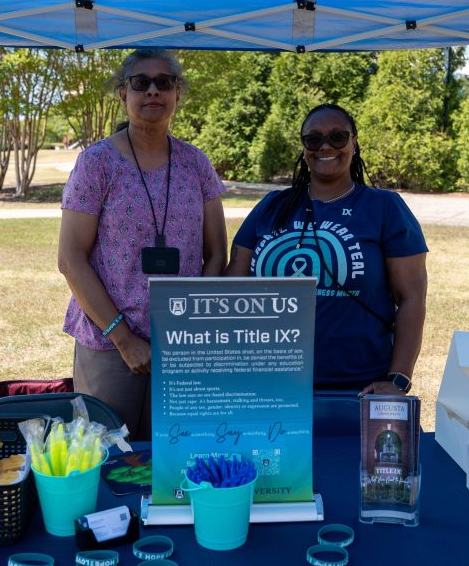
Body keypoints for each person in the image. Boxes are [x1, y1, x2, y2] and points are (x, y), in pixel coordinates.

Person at [58, 48, 227, 439]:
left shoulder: (195, 163)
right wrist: (124, 338)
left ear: (177, 94)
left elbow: (217, 252)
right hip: (109, 344)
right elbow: (70, 259)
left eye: (164, 82)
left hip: (180, 344)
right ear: (123, 94)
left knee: (172, 457)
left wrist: (194, 323)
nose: (153, 91)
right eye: (141, 82)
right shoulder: (96, 163)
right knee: (105, 456)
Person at [226, 103, 427, 396]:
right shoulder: (271, 206)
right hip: (269, 383)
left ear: (354, 143)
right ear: (304, 147)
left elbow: (412, 297)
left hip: (357, 387)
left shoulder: (384, 207)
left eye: (337, 137)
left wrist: (398, 378)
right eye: (314, 139)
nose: (325, 147)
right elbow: (231, 288)